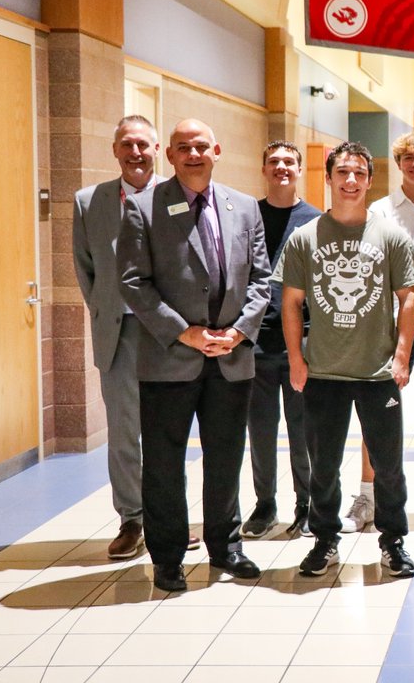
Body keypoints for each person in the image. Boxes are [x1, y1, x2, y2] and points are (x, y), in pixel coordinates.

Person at [117, 118, 271, 592]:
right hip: (169, 359)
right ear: (170, 155)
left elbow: (262, 278)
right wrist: (184, 333)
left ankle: (225, 546)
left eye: (201, 145)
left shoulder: (244, 207)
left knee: (226, 457)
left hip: (230, 357)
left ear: (217, 149)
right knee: (164, 462)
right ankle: (167, 557)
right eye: (183, 147)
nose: (193, 154)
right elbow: (132, 282)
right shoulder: (143, 207)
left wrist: (239, 332)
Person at [276, 142, 414, 579]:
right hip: (323, 370)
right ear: (329, 177)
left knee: (389, 465)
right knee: (323, 465)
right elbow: (291, 304)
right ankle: (324, 540)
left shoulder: (389, 235)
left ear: (369, 179)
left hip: (377, 372)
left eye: (360, 172)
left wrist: (401, 355)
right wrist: (296, 360)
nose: (352, 180)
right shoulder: (305, 238)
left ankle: (393, 541)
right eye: (343, 172)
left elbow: (409, 296)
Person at [74, 115, 198, 560]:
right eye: (127, 144)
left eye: (144, 144)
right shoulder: (90, 201)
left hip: (166, 331)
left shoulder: (179, 196)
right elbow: (86, 269)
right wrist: (109, 311)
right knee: (125, 431)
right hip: (120, 332)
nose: (136, 153)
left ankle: (170, 519)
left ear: (157, 149)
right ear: (115, 150)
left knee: (167, 430)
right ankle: (132, 519)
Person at [343, 130, 414, 532]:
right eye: (408, 157)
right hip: (386, 324)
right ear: (398, 163)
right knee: (376, 414)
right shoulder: (379, 211)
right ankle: (367, 499)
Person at [241, 142, 321, 539]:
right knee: (260, 429)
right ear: (263, 168)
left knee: (304, 429)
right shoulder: (247, 216)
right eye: (273, 161)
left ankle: (306, 504)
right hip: (256, 341)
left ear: (300, 168)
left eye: (289, 162)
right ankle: (264, 504)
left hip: (302, 343)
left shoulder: (315, 221)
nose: (281, 167)